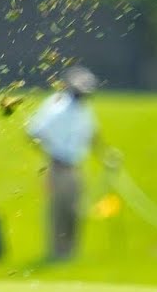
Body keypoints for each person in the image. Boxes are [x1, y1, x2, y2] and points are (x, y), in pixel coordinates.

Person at [25, 65, 101, 263]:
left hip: (76, 168)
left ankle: (70, 256)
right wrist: (50, 153)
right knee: (59, 212)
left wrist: (106, 156)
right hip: (58, 166)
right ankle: (57, 255)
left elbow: (92, 134)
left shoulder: (85, 109)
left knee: (74, 212)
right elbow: (33, 132)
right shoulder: (56, 105)